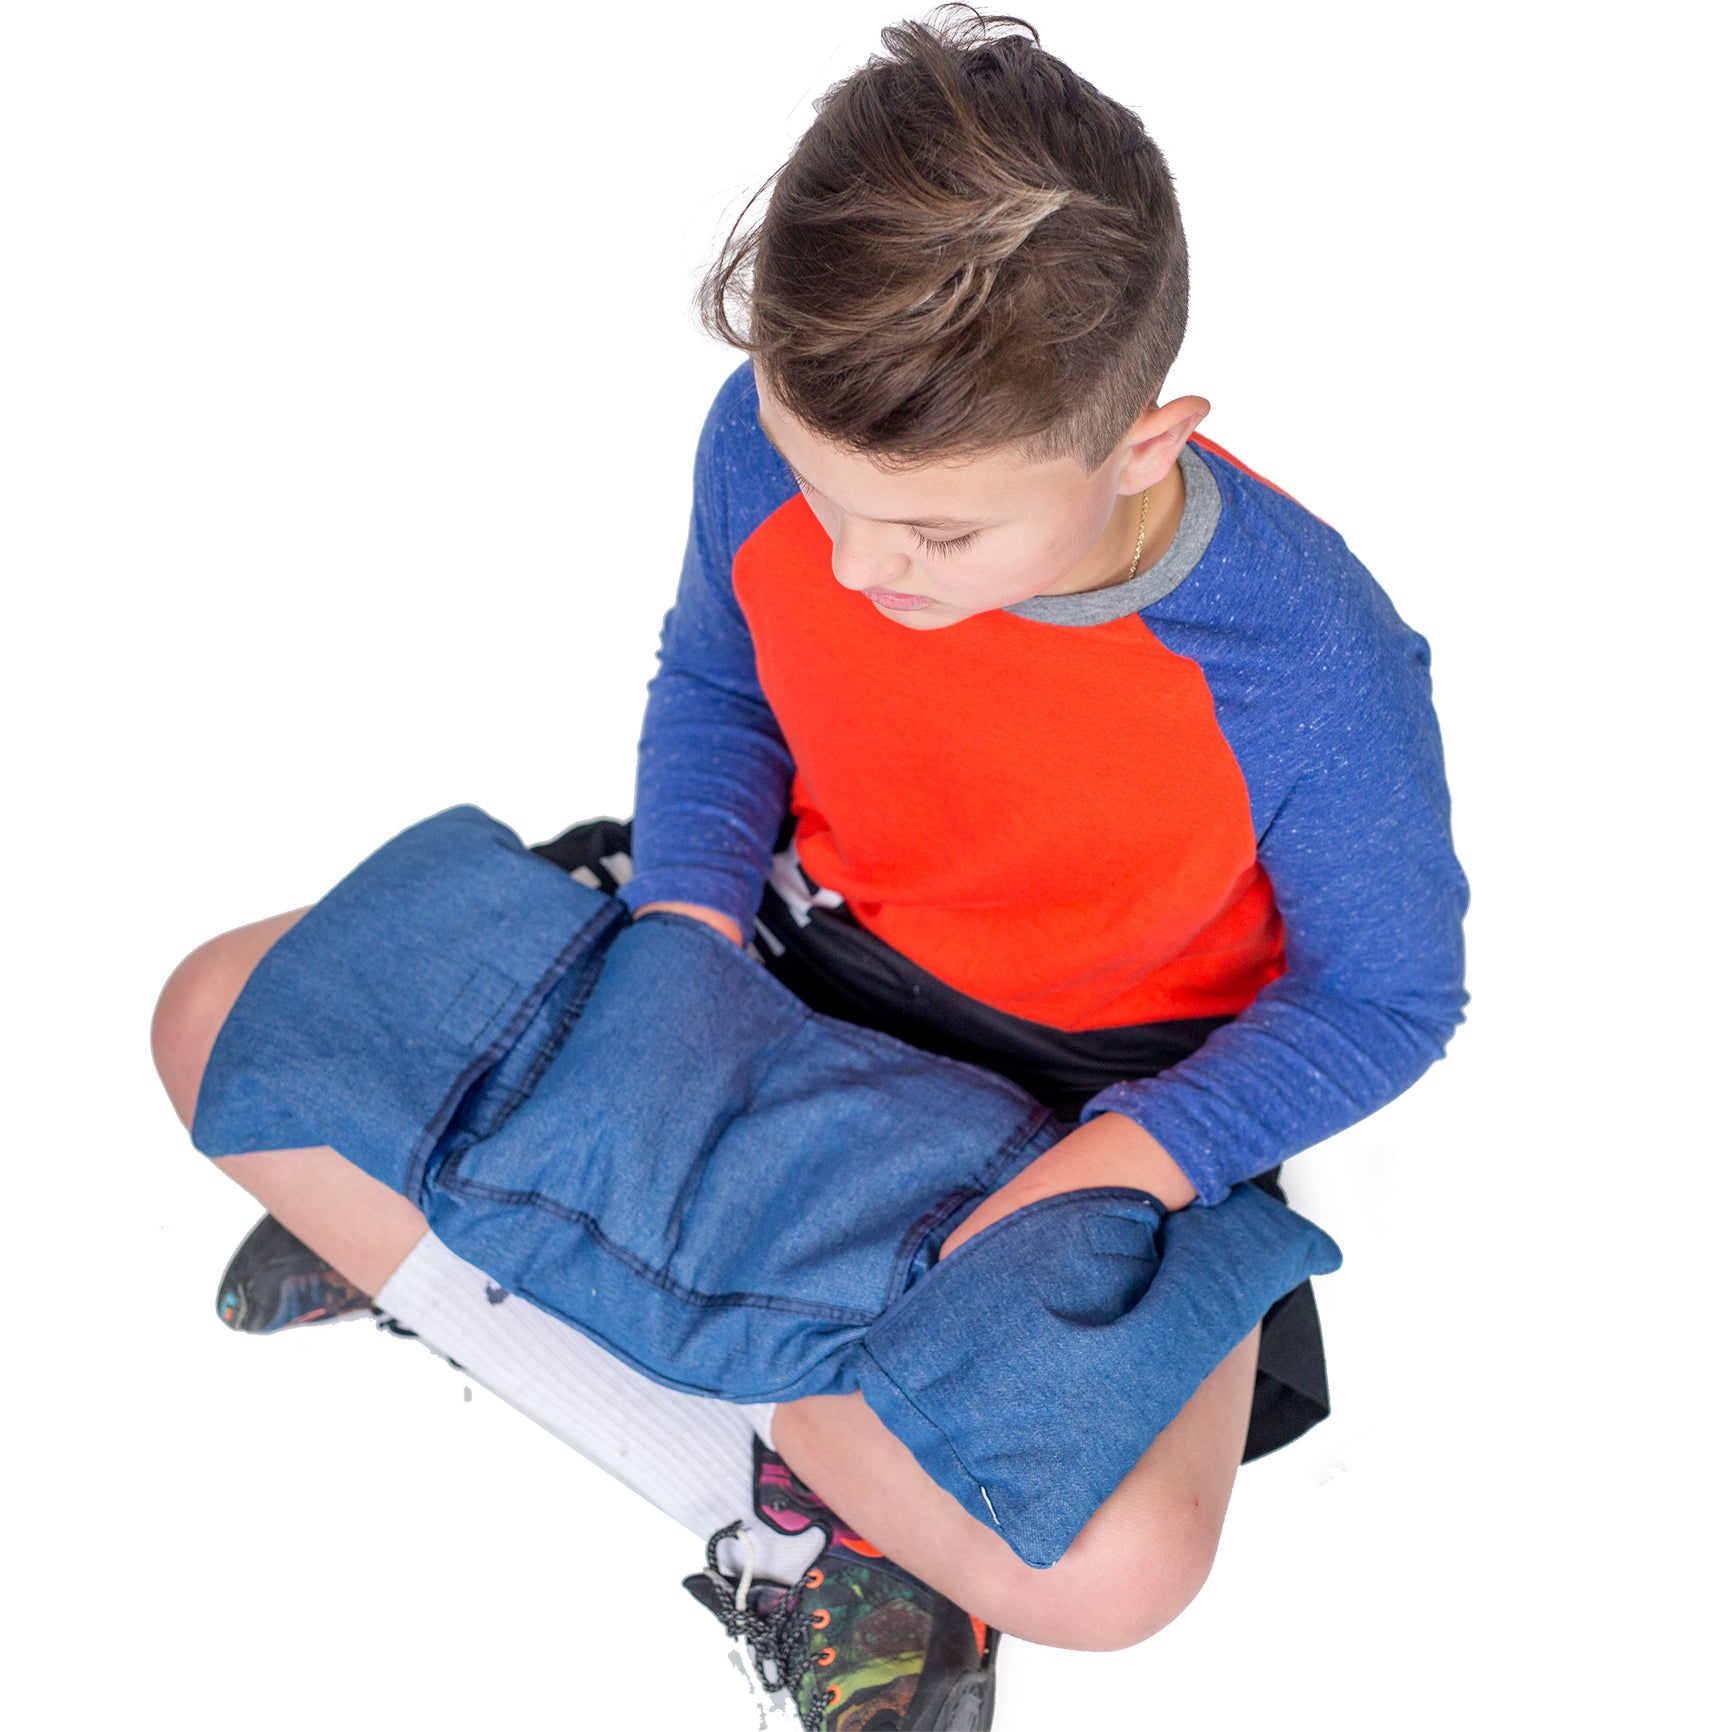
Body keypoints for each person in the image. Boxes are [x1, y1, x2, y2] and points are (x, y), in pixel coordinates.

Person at [153, 10, 1467, 1728]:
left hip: (1085, 1100)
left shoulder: (1314, 657)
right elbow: (718, 686)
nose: (858, 567)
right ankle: (794, 1457)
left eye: (938, 533)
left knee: (1119, 1571)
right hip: (772, 954)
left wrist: (1122, 1168)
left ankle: (535, 1306)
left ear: (1143, 445)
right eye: (818, 486)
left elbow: (1389, 997)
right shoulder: (761, 441)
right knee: (216, 1021)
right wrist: (685, 929)